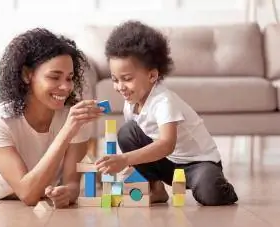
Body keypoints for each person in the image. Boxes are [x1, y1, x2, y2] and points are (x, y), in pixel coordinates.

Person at [0, 28, 104, 208]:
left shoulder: (74, 119)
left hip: (7, 149)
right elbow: (28, 194)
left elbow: (72, 183)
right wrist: (67, 130)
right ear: (27, 75)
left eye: (69, 78)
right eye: (54, 77)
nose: (66, 87)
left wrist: (67, 194)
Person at [95, 21, 238, 206]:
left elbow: (166, 145)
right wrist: (124, 167)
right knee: (127, 132)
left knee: (210, 194)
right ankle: (156, 189)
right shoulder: (130, 102)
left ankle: (223, 188)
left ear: (152, 76)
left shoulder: (164, 101)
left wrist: (124, 159)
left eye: (127, 79)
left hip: (197, 164)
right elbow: (137, 142)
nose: (120, 87)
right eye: (115, 79)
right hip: (166, 164)